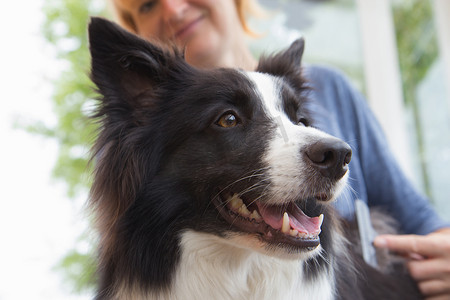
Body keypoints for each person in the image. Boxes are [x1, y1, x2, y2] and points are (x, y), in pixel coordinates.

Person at [107, 0, 450, 298]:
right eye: (147, 3)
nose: (173, 7)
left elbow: (423, 224)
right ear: (137, 30)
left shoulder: (327, 86)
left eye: (299, 120)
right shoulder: (143, 139)